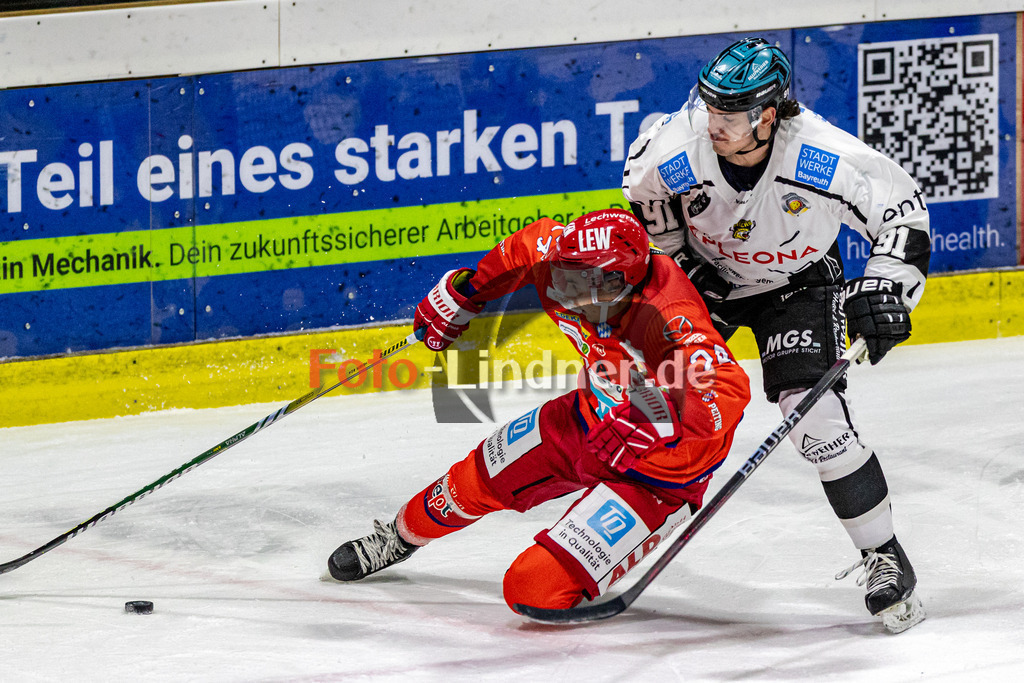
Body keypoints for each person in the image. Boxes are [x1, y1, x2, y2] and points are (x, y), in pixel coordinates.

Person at [621, 37, 930, 633]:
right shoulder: (677, 145)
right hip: (708, 281)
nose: (713, 123)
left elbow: (903, 210)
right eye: (710, 108)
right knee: (643, 400)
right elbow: (644, 192)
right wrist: (677, 267)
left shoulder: (821, 154)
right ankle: (609, 535)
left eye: (729, 116)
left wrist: (885, 290)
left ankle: (884, 557)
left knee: (816, 421)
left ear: (767, 115)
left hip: (797, 285)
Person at [326, 208, 751, 613]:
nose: (563, 292)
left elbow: (726, 387)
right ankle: (399, 538)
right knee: (468, 483)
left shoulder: (669, 315)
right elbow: (524, 246)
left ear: (620, 282)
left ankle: (618, 542)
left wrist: (655, 413)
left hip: (656, 472)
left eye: (579, 284)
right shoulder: (563, 263)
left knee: (531, 592)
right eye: (564, 277)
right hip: (586, 420)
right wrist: (468, 290)